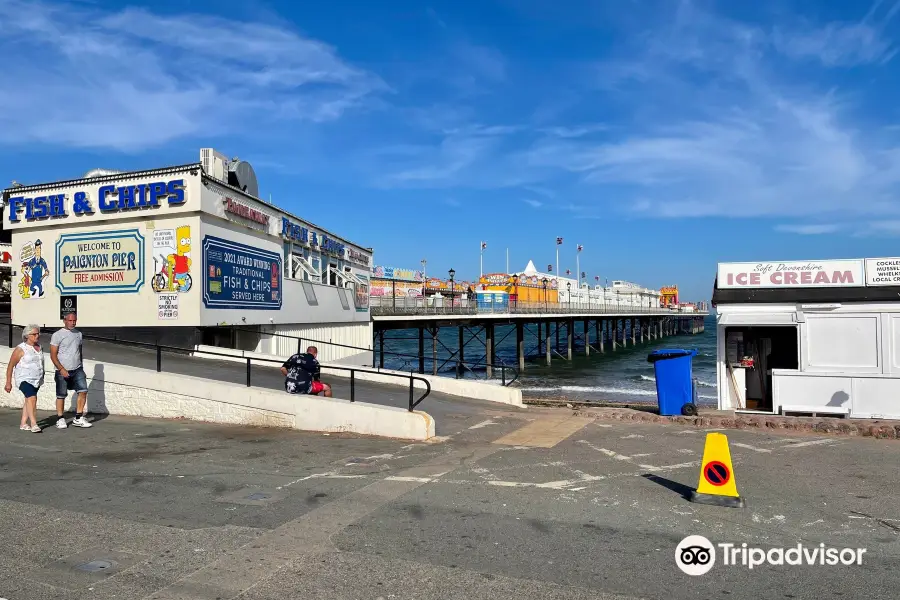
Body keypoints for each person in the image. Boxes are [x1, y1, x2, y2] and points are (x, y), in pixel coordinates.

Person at [50, 313, 91, 428]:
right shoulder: (57, 335)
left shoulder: (78, 334)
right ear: (64, 321)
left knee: (83, 390)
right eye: (70, 320)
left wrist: (81, 366)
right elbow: (53, 355)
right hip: (62, 370)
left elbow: (79, 351)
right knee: (61, 395)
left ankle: (78, 418)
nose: (72, 322)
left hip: (77, 369)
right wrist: (61, 369)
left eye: (74, 320)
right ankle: (60, 418)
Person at [5, 324, 44, 432]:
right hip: (24, 378)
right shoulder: (20, 349)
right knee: (32, 398)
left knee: (29, 399)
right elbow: (10, 365)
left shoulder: (39, 347)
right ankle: (33, 423)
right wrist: (8, 382)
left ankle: (23, 423)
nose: (37, 336)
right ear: (27, 335)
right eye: (34, 334)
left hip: (36, 379)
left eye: (38, 333)